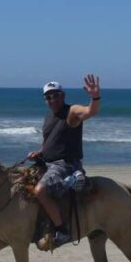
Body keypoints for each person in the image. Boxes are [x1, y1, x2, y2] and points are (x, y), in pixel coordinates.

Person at [28, 74, 101, 247]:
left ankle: (62, 231)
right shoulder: (48, 118)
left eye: (55, 95)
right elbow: (50, 143)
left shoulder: (72, 112)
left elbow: (90, 111)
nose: (52, 99)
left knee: (40, 191)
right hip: (48, 162)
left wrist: (95, 97)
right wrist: (39, 153)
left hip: (66, 165)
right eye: (48, 97)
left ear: (63, 95)